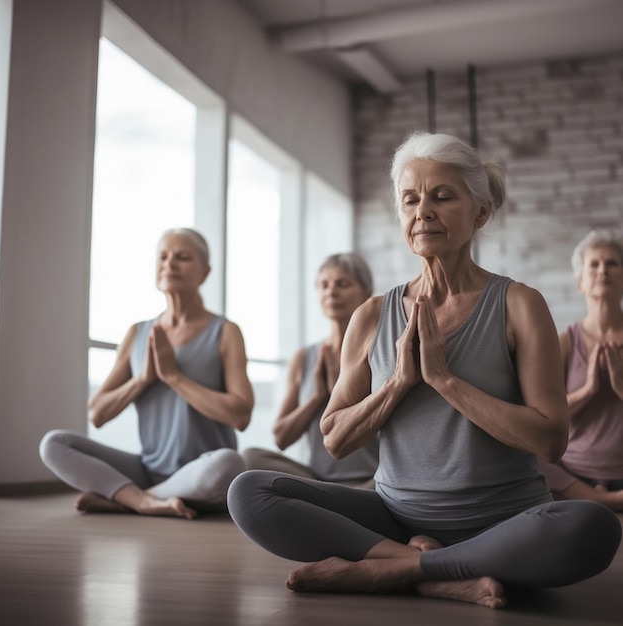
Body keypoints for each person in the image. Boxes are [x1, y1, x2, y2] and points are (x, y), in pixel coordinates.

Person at [227, 132, 621, 609]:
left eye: (442, 197)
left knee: (594, 526)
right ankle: (426, 569)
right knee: (250, 490)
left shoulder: (519, 305)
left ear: (480, 213)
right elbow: (334, 437)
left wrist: (446, 381)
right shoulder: (371, 316)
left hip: (503, 522)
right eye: (410, 200)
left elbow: (550, 439)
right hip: (396, 517)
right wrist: (397, 383)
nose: (423, 212)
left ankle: (389, 572)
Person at [40, 228, 254, 519]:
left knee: (232, 464)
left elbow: (240, 415)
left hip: (203, 472)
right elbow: (97, 413)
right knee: (54, 443)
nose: (170, 264)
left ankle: (127, 499)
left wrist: (173, 376)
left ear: (205, 272)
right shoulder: (137, 333)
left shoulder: (226, 332)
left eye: (182, 257)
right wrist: (142, 380)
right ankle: (143, 499)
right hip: (146, 469)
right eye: (163, 257)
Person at [243, 253, 378, 488]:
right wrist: (317, 397)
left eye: (342, 284)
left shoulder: (379, 351)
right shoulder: (304, 358)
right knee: (250, 457)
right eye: (324, 285)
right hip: (318, 479)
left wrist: (343, 392)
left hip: (371, 479)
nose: (331, 292)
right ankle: (331, 499)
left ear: (367, 293)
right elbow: (281, 438)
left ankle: (331, 503)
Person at [541, 228, 623, 511]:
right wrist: (588, 389)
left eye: (612, 263)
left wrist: (620, 386)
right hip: (573, 473)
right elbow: (547, 418)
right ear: (581, 282)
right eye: (594, 264)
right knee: (528, 454)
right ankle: (604, 499)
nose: (603, 271)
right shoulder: (565, 342)